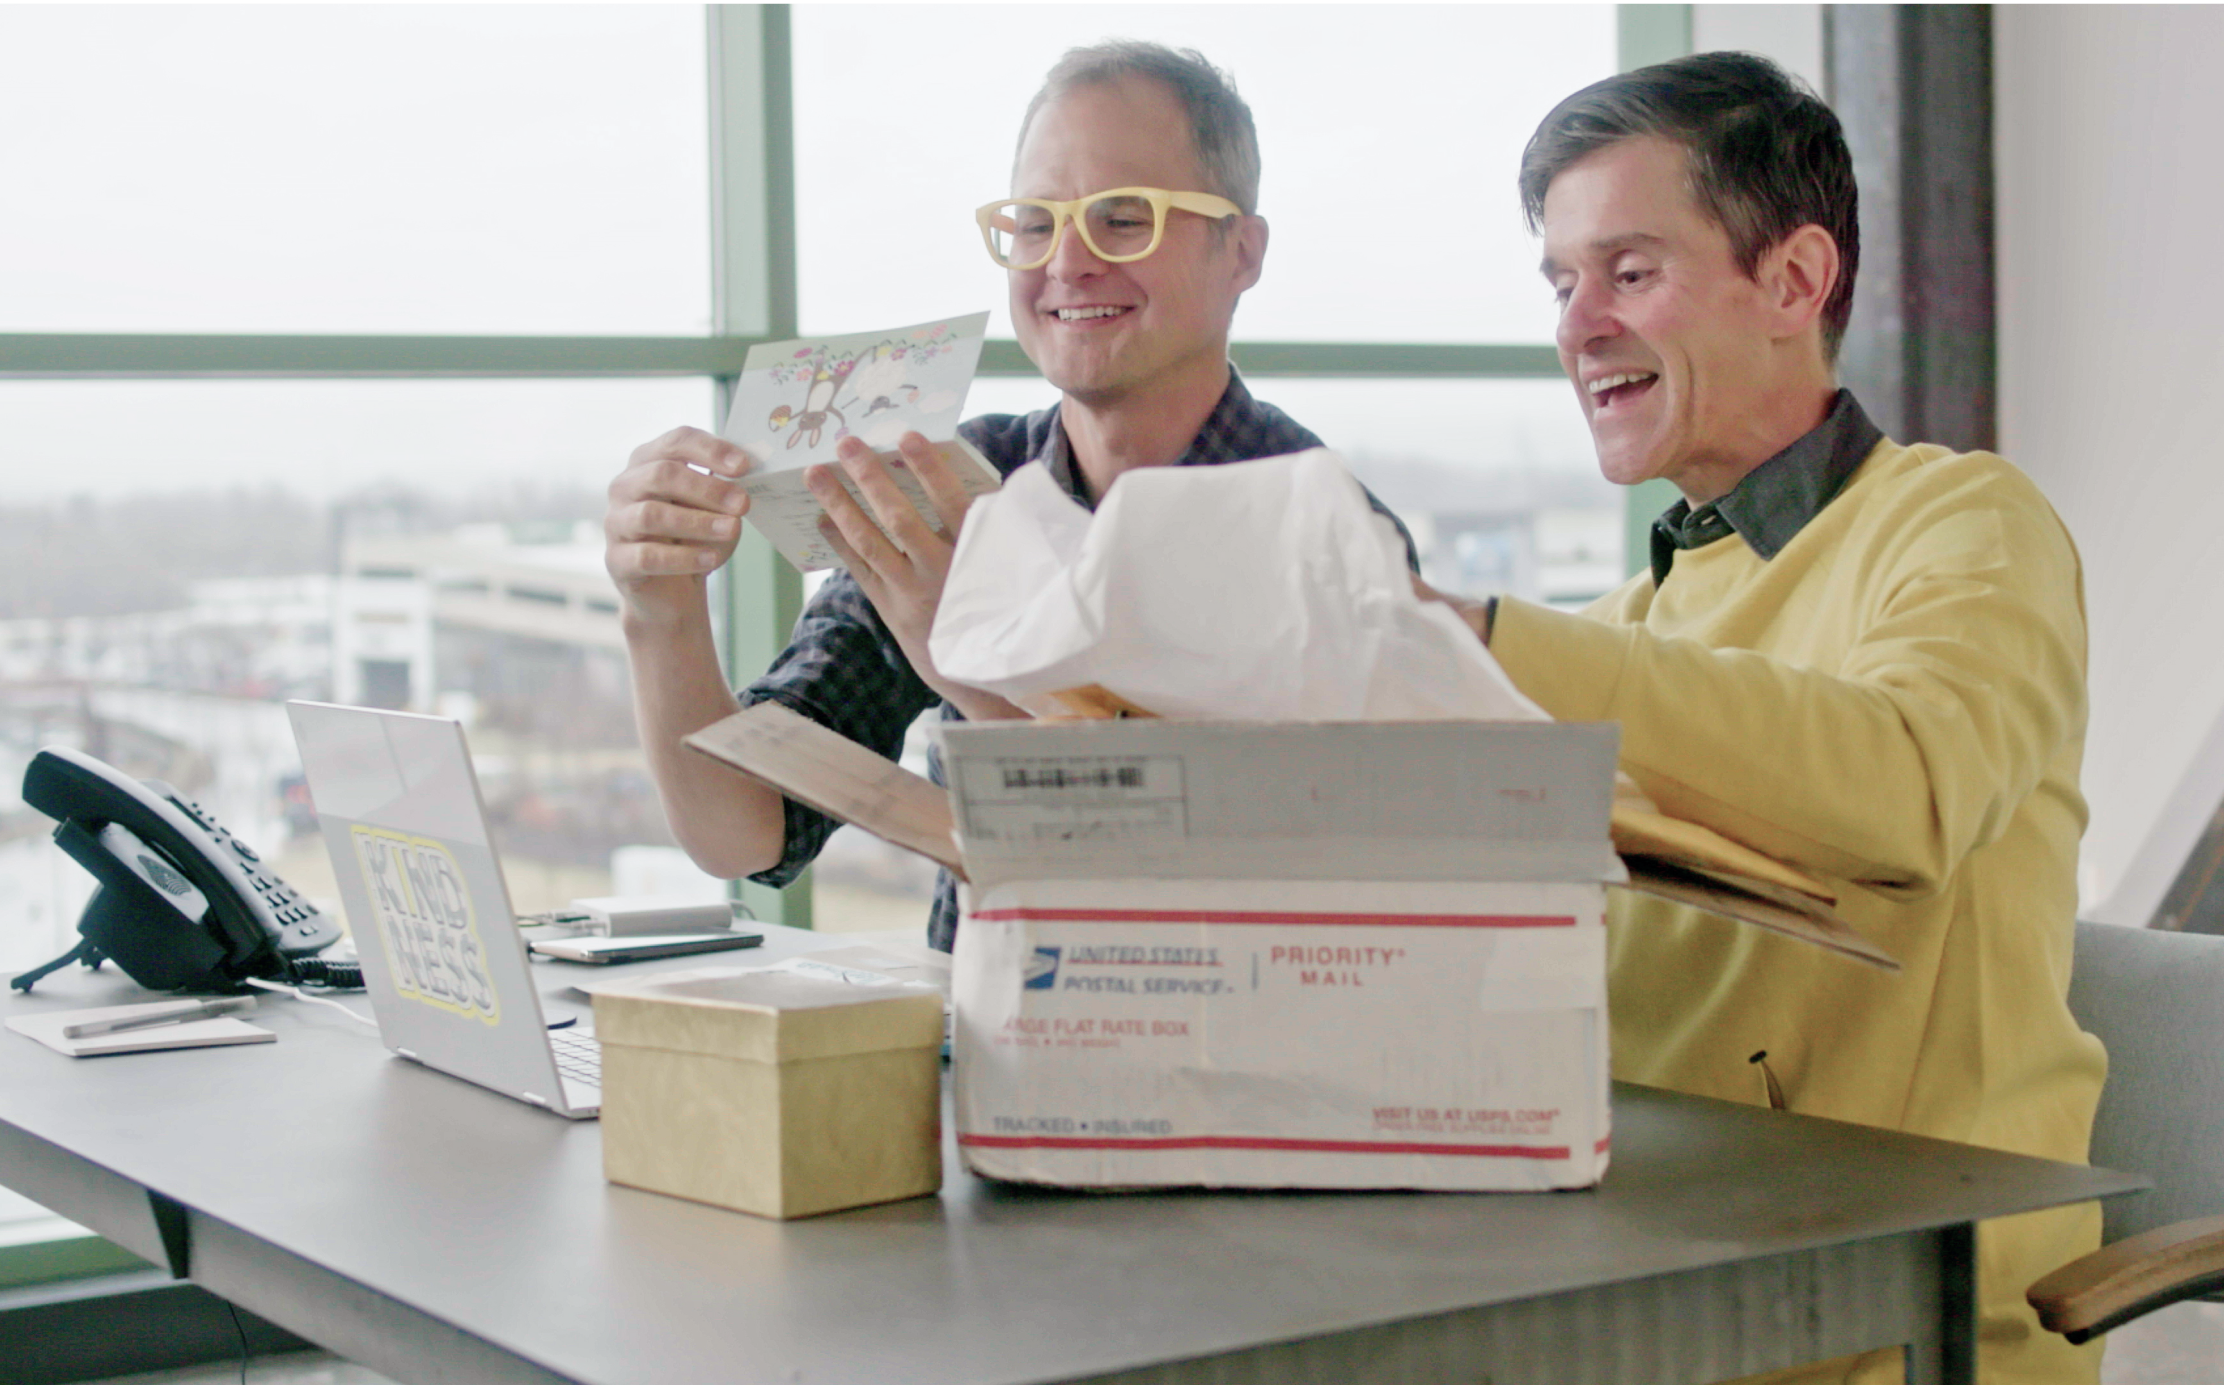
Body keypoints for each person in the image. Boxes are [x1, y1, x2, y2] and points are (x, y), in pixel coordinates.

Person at [1419, 53, 2106, 1385]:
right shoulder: (1629, 615)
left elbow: (1906, 786)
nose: (1576, 327)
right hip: (1648, 1287)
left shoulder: (1967, 524)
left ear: (1793, 281)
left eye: (1628, 272)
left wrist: (1490, 638)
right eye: (1561, 284)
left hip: (1894, 1318)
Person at [604, 41, 1411, 953]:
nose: (1067, 262)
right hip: (976, 1054)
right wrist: (660, 612)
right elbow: (745, 828)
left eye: (1122, 218)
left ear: (1243, 251)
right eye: (1035, 223)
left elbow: (1255, 913)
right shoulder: (964, 482)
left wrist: (983, 669)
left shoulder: (1330, 533)